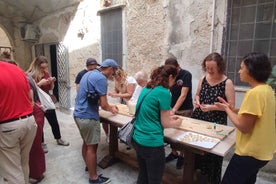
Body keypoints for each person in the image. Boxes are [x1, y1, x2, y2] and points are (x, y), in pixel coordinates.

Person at [215, 52, 276, 184]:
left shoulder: (254, 93)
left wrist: (226, 110)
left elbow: (244, 127)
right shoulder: (267, 90)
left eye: (242, 68)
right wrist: (232, 109)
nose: (239, 71)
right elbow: (255, 114)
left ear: (251, 70)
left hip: (249, 153)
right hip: (262, 153)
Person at [132, 65, 182, 184]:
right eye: (174, 79)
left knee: (143, 176)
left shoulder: (147, 88)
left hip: (138, 139)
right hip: (152, 143)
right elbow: (165, 123)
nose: (174, 83)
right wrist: (177, 122)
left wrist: (169, 117)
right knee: (154, 180)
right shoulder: (164, 92)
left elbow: (151, 112)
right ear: (170, 77)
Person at [191, 52, 235, 183]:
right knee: (197, 148)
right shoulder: (203, 79)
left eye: (212, 68)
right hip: (200, 117)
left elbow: (231, 107)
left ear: (220, 67)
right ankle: (198, 176)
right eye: (207, 67)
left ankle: (211, 179)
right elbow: (197, 94)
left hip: (216, 120)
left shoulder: (227, 83)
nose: (209, 71)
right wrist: (197, 101)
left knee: (212, 152)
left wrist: (212, 107)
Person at [73, 58, 119, 184]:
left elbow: (92, 97)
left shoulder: (88, 74)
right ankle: (94, 178)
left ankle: (89, 165)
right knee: (92, 147)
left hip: (78, 114)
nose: (113, 75)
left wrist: (107, 105)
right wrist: (112, 109)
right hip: (88, 116)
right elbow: (104, 104)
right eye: (113, 72)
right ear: (110, 68)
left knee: (86, 143)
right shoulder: (101, 79)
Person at [0, 60, 37, 184]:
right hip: (29, 122)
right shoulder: (16, 69)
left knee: (12, 170)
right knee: (23, 162)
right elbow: (29, 95)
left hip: (9, 125)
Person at [26, 56, 69, 153]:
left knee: (54, 121)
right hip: (37, 103)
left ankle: (58, 139)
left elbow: (50, 88)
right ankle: (42, 143)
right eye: (42, 67)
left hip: (46, 101)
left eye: (46, 67)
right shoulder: (29, 76)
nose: (45, 70)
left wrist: (51, 82)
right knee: (39, 124)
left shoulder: (46, 73)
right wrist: (39, 84)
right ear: (37, 66)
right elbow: (28, 90)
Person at [164, 57, 194, 169]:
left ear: (178, 66)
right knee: (172, 132)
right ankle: (174, 153)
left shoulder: (186, 75)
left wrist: (174, 110)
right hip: (172, 108)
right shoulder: (169, 74)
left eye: (174, 71)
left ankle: (182, 155)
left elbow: (183, 95)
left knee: (183, 134)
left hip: (185, 109)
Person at [26, 75, 46, 183]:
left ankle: (37, 173)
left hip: (34, 112)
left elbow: (31, 101)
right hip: (35, 112)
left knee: (34, 144)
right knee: (34, 144)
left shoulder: (25, 78)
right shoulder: (26, 77)